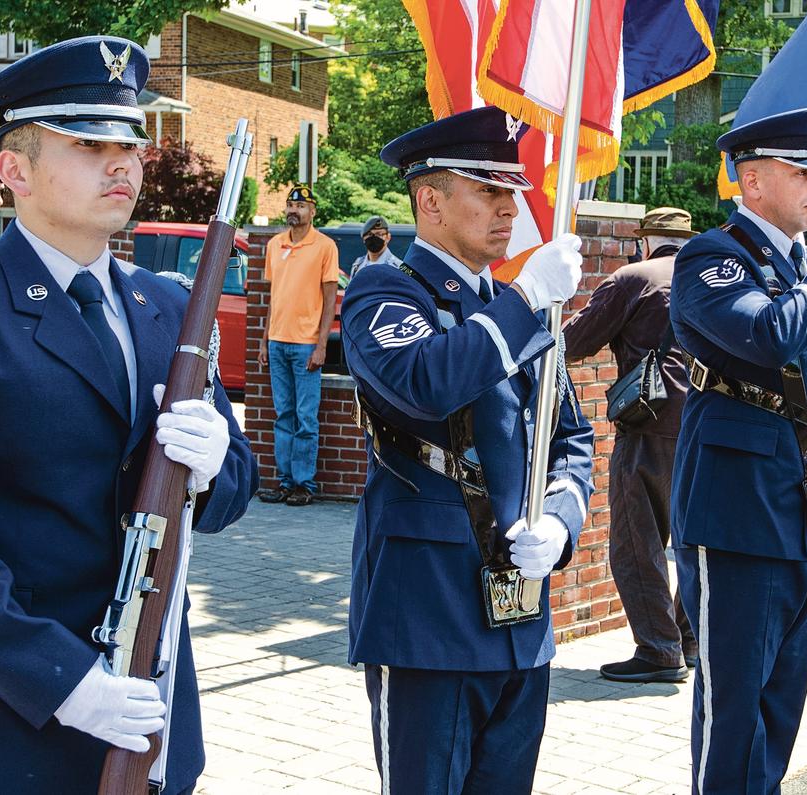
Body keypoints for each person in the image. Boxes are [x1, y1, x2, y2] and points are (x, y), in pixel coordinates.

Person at [0, 36, 254, 794]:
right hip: (2, 723)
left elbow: (231, 491)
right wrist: (68, 681)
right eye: (87, 143)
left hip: (151, 711)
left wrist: (214, 466)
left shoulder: (169, 306)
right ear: (14, 169)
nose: (122, 163)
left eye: (130, 144)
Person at [341, 105, 594, 794]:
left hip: (520, 612)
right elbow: (426, 382)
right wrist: (522, 300)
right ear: (430, 199)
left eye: (510, 192)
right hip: (427, 611)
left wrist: (560, 520)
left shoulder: (524, 310)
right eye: (487, 190)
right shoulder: (385, 290)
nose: (508, 207)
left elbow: (570, 437)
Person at [668, 107, 807, 795]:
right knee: (735, 711)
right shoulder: (712, 256)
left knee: (781, 706)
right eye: (802, 170)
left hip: (806, 509)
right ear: (751, 179)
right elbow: (767, 336)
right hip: (738, 509)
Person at [563, 206, 698, 683]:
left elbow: (575, 342)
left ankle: (660, 650)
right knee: (695, 543)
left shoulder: (634, 276)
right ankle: (689, 639)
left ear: (646, 241)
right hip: (709, 425)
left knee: (637, 541)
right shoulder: (714, 274)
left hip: (651, 422)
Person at [256, 185, 339, 507]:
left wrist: (321, 346)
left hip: (306, 346)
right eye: (291, 204)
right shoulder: (275, 245)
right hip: (277, 343)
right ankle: (285, 481)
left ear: (312, 211)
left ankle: (304, 484)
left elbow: (330, 300)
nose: (294, 210)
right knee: (283, 416)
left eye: (301, 205)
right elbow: (273, 299)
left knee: (305, 419)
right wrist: (264, 342)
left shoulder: (325, 246)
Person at [349, 214, 401, 279]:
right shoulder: (358, 265)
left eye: (379, 234)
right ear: (363, 238)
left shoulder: (398, 267)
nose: (374, 237)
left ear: (388, 237)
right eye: (370, 234)